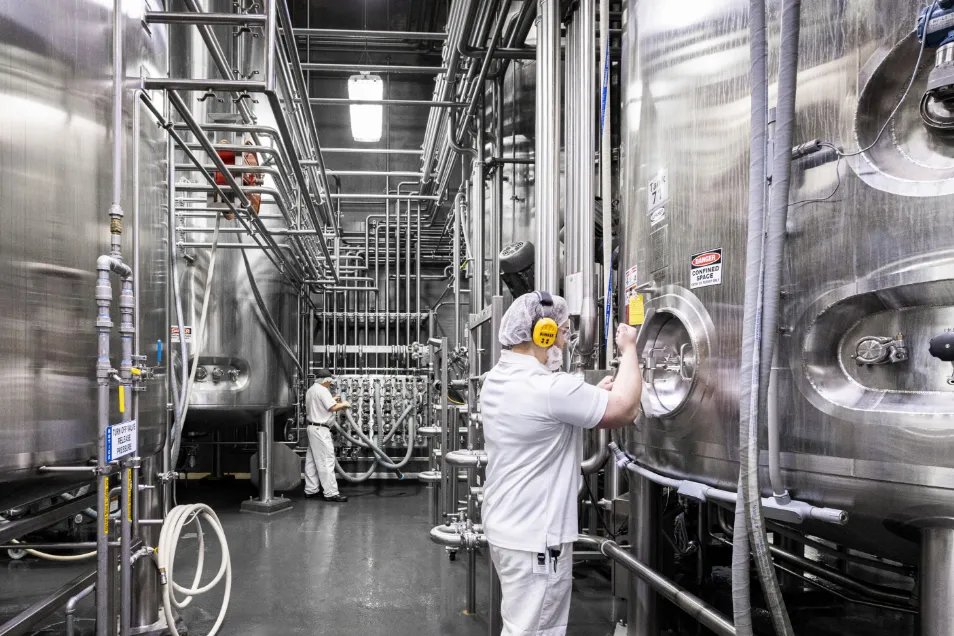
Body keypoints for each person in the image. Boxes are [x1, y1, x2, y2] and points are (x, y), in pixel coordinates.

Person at [479, 291, 642, 636]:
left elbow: (550, 413)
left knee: (519, 624)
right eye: (564, 333)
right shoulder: (549, 388)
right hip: (537, 537)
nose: (565, 344)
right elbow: (625, 408)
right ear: (544, 334)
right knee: (536, 630)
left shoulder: (497, 378)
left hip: (507, 526)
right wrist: (630, 349)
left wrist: (592, 394)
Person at [304, 369, 351, 503]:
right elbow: (332, 408)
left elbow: (321, 404)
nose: (330, 383)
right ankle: (331, 493)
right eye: (330, 381)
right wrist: (344, 404)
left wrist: (333, 400)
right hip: (320, 430)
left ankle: (311, 490)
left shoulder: (312, 390)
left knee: (312, 461)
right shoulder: (323, 390)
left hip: (312, 427)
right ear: (326, 380)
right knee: (326, 460)